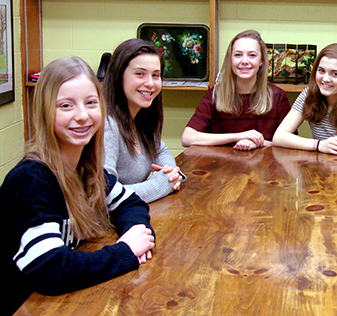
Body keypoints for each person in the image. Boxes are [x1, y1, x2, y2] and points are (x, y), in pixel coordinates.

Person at [1, 57, 156, 314]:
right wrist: (126, 250)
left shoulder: (85, 168)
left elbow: (130, 203)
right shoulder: (31, 180)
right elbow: (51, 270)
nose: (82, 116)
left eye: (91, 103)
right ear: (45, 111)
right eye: (65, 106)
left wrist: (137, 231)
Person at [181, 30, 292, 151]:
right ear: (230, 60)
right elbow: (187, 138)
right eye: (238, 55)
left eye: (252, 55)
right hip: (221, 166)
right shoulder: (215, 94)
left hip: (265, 167)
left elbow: (289, 144)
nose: (244, 61)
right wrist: (238, 137)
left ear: (261, 61)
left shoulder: (278, 97)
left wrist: (257, 142)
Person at [103, 38, 184, 204]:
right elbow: (105, 195)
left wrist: (170, 172)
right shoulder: (108, 125)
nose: (150, 83)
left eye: (156, 75)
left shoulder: (139, 118)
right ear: (118, 76)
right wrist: (162, 183)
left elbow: (161, 151)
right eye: (140, 74)